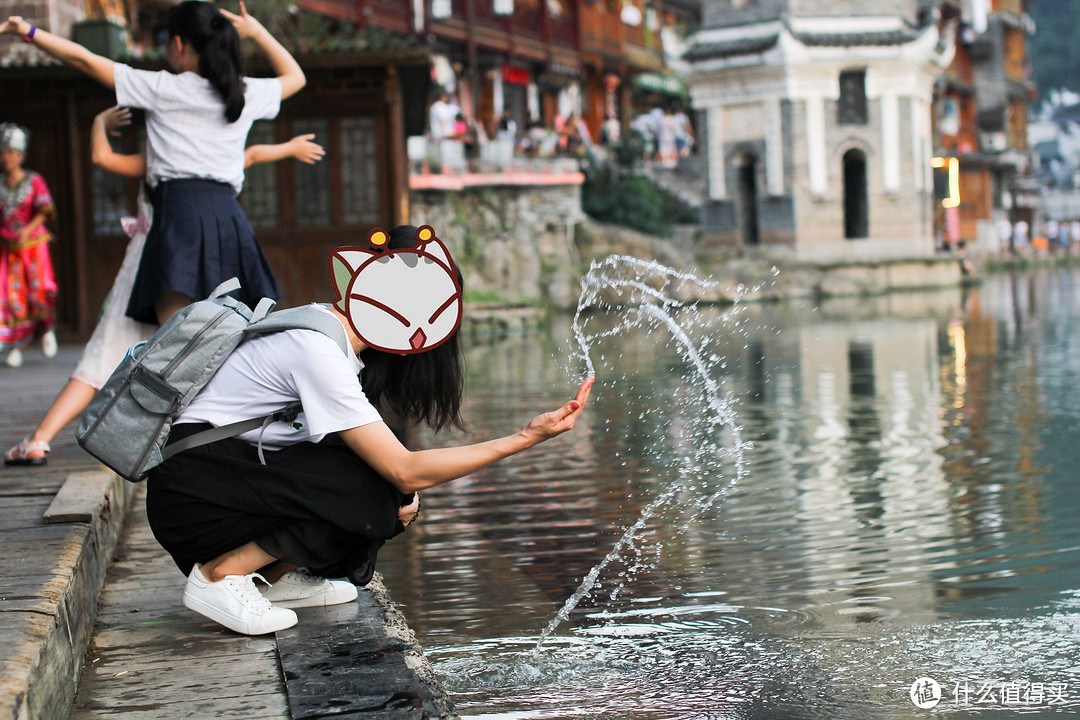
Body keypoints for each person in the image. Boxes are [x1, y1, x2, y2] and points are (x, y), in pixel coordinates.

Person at [146, 225, 594, 635]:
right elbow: (405, 471)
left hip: (213, 483)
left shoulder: (333, 337)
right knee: (380, 490)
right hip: (193, 497)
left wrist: (398, 493)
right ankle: (220, 576)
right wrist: (525, 437)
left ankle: (272, 578)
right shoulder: (318, 350)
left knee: (384, 490)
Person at [4, 107, 324, 466]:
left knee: (110, 352)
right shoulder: (206, 155)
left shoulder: (164, 156)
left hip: (154, 259)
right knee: (193, 352)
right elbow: (249, 154)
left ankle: (41, 439)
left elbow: (102, 157)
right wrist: (289, 147)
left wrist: (98, 123)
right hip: (190, 260)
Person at [1, 1, 306, 326]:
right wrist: (257, 31)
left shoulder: (162, 87)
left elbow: (84, 60)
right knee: (229, 336)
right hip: (229, 219)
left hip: (178, 214)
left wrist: (28, 31)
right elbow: (296, 77)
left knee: (175, 340)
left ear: (178, 43)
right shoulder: (243, 92)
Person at [0, 123, 58, 369]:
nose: (6, 158)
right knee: (10, 296)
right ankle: (15, 346)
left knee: (38, 291)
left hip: (33, 246)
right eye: (3, 153)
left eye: (11, 153)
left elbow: (45, 211)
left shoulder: (34, 181)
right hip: (7, 247)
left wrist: (26, 229)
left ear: (21, 156)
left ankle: (46, 330)